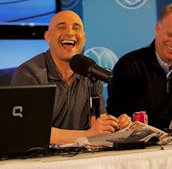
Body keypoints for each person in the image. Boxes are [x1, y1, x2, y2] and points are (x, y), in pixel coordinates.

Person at [11, 10, 131, 145]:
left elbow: (96, 122)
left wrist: (115, 125)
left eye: (76, 28)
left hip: (79, 158)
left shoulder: (91, 72)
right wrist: (88, 135)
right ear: (48, 37)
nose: (69, 32)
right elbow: (32, 130)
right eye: (61, 27)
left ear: (84, 38)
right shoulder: (29, 73)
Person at [107, 2, 172, 130]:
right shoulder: (128, 66)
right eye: (170, 35)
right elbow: (122, 119)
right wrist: (171, 124)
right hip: (143, 149)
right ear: (157, 28)